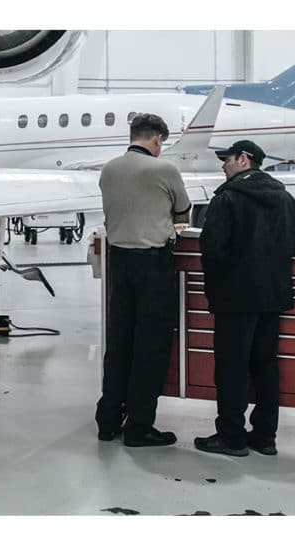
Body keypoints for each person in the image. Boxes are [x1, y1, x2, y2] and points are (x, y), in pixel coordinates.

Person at [194, 140, 295, 457]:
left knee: (232, 367)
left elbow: (211, 249)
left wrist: (217, 287)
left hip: (235, 298)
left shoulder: (227, 198)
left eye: (227, 159)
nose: (223, 165)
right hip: (273, 296)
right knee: (265, 365)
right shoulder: (284, 197)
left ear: (243, 159)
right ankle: (265, 436)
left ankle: (231, 437)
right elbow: (293, 239)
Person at [96, 113, 192, 447]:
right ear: (156, 139)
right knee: (150, 346)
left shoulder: (109, 169)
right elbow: (183, 209)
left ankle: (108, 420)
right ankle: (139, 427)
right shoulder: (164, 169)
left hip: (120, 264)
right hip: (153, 265)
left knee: (119, 343)